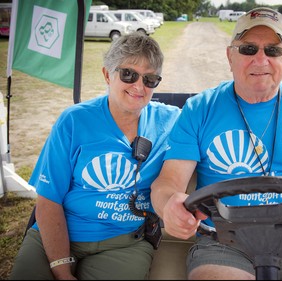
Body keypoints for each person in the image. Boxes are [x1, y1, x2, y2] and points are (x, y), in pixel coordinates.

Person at [150, 7, 282, 280]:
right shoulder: (200, 108)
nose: (260, 59)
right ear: (230, 55)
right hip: (225, 246)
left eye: (273, 50)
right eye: (248, 49)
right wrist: (169, 205)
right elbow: (167, 184)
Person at [10, 32, 180, 280]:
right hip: (57, 234)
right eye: (128, 74)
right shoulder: (74, 121)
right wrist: (61, 269)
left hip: (124, 244)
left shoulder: (170, 120)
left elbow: (211, 114)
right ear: (106, 75)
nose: (139, 86)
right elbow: (48, 201)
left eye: (150, 78)